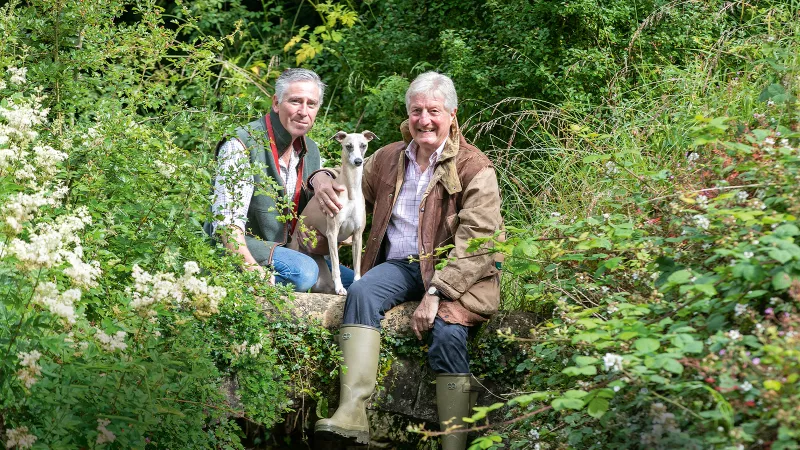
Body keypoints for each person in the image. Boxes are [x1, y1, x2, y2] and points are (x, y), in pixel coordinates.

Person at [312, 72, 503, 449]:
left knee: (448, 333)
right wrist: (320, 177)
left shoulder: (473, 167)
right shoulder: (387, 159)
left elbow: (479, 240)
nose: (424, 120)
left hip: (455, 274)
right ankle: (352, 413)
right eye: (416, 111)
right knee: (362, 291)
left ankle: (454, 443)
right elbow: (348, 178)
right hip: (400, 266)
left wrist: (436, 292)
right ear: (407, 114)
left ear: (452, 114)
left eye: (434, 110)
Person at [210, 68, 354, 291]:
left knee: (353, 283)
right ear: (276, 103)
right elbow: (226, 225)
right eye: (295, 101)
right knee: (304, 273)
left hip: (290, 252)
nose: (303, 112)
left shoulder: (311, 150)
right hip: (243, 248)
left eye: (311, 104)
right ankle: (231, 280)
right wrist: (249, 268)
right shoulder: (241, 144)